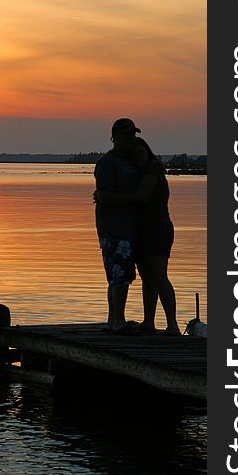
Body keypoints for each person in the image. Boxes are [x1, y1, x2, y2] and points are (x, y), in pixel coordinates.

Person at [94, 118, 141, 334]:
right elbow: (103, 195)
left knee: (118, 276)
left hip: (127, 228)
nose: (131, 138)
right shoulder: (107, 163)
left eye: (133, 134)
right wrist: (135, 198)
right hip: (113, 228)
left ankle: (113, 321)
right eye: (127, 134)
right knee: (119, 277)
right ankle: (118, 323)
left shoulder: (131, 161)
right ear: (115, 137)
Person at [132, 138, 180, 335]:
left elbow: (141, 195)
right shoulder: (137, 172)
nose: (137, 157)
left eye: (140, 153)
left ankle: (172, 325)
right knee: (147, 278)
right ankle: (148, 322)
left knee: (160, 277)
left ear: (147, 152)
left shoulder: (154, 170)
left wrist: (108, 197)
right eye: (133, 154)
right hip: (140, 230)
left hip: (158, 229)